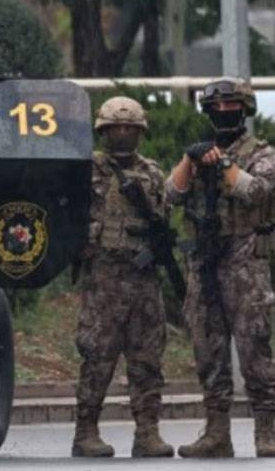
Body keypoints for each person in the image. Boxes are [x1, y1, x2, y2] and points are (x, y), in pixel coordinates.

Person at [166, 78, 275, 458]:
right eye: (217, 109)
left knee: (254, 348)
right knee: (208, 350)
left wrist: (224, 162)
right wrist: (189, 159)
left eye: (231, 108)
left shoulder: (261, 154)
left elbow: (256, 192)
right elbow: (171, 195)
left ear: (245, 111)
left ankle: (267, 430)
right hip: (205, 262)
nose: (224, 115)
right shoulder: (201, 154)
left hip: (245, 262)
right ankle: (217, 433)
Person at [72, 97, 173, 458]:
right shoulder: (88, 170)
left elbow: (163, 217)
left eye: (130, 128)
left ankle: (147, 432)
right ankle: (86, 432)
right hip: (105, 277)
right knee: (98, 355)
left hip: (144, 278)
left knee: (147, 358)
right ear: (104, 131)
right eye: (117, 127)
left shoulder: (153, 173)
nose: (124, 133)